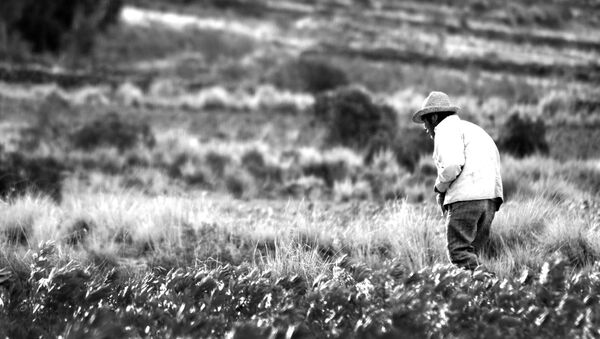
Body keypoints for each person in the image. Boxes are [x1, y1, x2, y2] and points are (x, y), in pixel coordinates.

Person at [412, 91, 503, 270]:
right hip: (490, 200)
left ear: (435, 117)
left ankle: (491, 289)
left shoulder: (445, 129)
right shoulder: (473, 129)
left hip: (467, 199)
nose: (425, 128)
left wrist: (439, 187)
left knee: (459, 253)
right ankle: (484, 295)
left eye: (425, 121)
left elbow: (452, 165)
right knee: (471, 255)